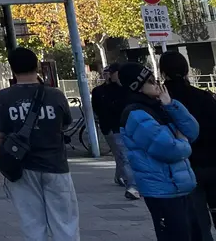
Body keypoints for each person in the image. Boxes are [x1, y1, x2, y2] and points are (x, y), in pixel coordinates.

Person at [0, 48, 78, 241]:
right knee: (64, 222)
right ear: (37, 66)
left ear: (12, 69)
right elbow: (65, 124)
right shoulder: (56, 95)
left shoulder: (3, 98)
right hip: (56, 165)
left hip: (21, 168)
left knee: (32, 223)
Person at [119, 61, 213, 240]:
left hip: (181, 185)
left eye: (155, 79)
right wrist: (183, 143)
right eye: (150, 81)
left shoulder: (160, 106)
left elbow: (192, 131)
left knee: (196, 234)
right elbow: (168, 149)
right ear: (137, 87)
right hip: (162, 189)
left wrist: (171, 105)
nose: (157, 84)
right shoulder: (135, 114)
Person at [160, 51, 216, 227]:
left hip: (184, 167)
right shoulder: (204, 97)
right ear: (186, 70)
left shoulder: (160, 101)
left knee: (199, 223)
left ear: (163, 71)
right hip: (212, 161)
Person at [91, 63, 139, 198]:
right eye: (107, 73)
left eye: (111, 72)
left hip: (126, 126)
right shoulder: (101, 91)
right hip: (113, 127)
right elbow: (98, 108)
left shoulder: (127, 89)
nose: (109, 75)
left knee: (121, 155)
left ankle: (120, 177)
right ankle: (132, 185)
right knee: (123, 155)